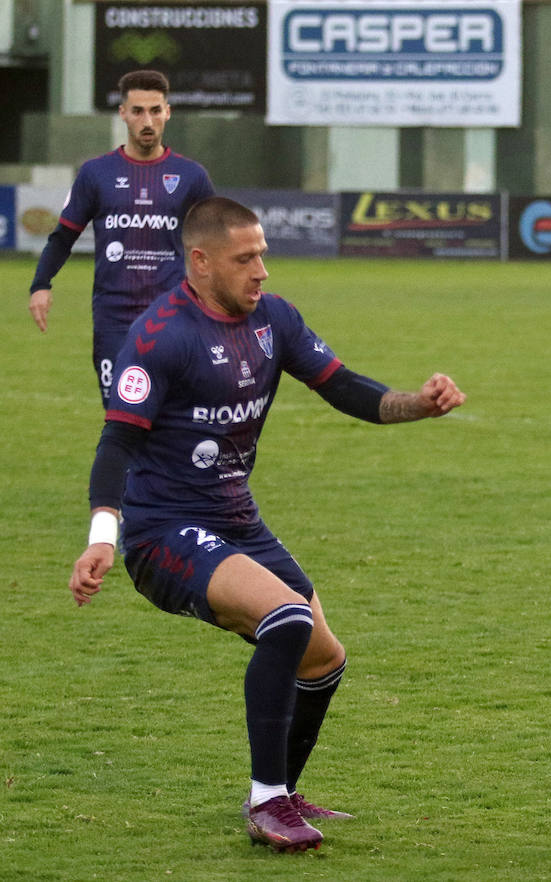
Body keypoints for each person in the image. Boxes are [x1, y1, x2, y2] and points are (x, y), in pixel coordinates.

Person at [67, 197, 466, 853]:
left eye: (264, 256)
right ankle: (266, 802)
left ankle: (283, 791)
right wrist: (101, 540)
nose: (262, 272)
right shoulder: (160, 335)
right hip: (162, 531)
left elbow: (346, 389)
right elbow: (116, 445)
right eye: (245, 258)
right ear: (199, 262)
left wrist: (418, 405)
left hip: (235, 519)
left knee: (324, 658)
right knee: (287, 619)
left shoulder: (273, 320)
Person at [28, 69, 214, 406]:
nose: (148, 120)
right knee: (122, 417)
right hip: (114, 319)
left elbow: (216, 244)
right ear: (123, 113)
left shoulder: (192, 177)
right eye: (138, 111)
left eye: (156, 110)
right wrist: (41, 284)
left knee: (172, 419)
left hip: (173, 315)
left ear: (167, 113)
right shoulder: (96, 173)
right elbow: (63, 237)